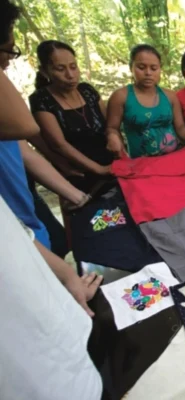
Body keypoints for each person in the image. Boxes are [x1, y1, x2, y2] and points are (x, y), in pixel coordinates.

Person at [0, 1, 102, 397]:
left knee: (62, 251)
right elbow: (37, 134)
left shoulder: (89, 93)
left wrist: (62, 275)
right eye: (6, 52)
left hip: (31, 219)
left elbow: (22, 147)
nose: (9, 63)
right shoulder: (39, 102)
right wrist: (86, 177)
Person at [29, 40, 114, 193]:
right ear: (44, 71)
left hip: (111, 164)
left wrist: (117, 147)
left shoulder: (87, 90)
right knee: (98, 216)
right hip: (78, 172)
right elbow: (59, 144)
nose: (70, 75)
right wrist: (99, 170)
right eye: (60, 69)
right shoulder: (42, 99)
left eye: (73, 67)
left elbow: (109, 126)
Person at [106, 44, 185, 159]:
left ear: (160, 69)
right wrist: (112, 136)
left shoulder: (170, 96)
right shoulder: (121, 97)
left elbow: (180, 127)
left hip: (174, 157)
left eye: (154, 68)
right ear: (131, 68)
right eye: (141, 67)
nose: (148, 73)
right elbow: (112, 127)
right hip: (141, 163)